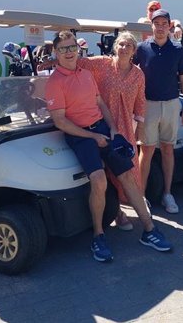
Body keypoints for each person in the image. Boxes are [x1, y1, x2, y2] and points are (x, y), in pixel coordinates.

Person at [45, 30, 172, 263]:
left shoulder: (85, 74)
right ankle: (98, 236)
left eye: (72, 47)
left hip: (102, 129)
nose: (69, 52)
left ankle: (149, 228)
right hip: (80, 136)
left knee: (127, 175)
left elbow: (99, 102)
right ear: (56, 51)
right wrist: (92, 137)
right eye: (63, 48)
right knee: (99, 179)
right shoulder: (55, 82)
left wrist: (112, 129)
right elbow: (61, 121)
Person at [77, 31, 147, 230]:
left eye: (128, 45)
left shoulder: (138, 74)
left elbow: (141, 102)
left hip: (124, 127)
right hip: (100, 123)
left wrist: (139, 128)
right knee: (105, 170)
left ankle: (134, 206)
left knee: (127, 167)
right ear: (115, 46)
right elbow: (77, 62)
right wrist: (50, 62)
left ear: (134, 50)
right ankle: (116, 212)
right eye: (121, 44)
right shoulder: (102, 64)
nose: (124, 48)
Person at [134, 8, 183, 214]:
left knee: (168, 148)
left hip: (171, 104)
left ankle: (167, 193)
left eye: (164, 24)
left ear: (169, 26)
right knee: (146, 150)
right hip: (147, 106)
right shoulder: (141, 49)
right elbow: (131, 77)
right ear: (152, 26)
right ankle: (140, 196)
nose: (160, 28)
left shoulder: (177, 50)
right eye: (156, 24)